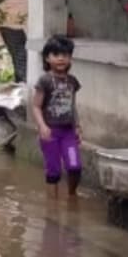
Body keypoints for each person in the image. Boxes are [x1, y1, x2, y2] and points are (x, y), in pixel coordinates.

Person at [30, 35, 83, 198]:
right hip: (50, 133)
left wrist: (78, 126)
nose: (61, 58)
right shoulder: (44, 81)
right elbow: (36, 106)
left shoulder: (72, 82)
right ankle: (52, 206)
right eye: (56, 54)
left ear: (70, 58)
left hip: (68, 133)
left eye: (65, 55)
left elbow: (72, 105)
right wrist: (42, 126)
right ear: (47, 58)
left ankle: (72, 196)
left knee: (75, 166)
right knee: (53, 171)